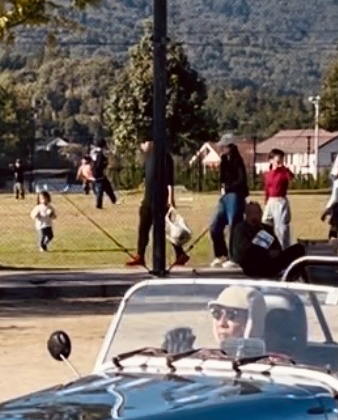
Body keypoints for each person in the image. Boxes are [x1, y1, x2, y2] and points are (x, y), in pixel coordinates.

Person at [129, 136, 189, 268]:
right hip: (148, 198)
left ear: (151, 142)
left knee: (166, 228)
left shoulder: (165, 158)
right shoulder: (148, 158)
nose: (142, 146)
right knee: (143, 227)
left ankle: (180, 253)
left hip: (161, 198)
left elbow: (169, 181)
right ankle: (140, 255)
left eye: (143, 143)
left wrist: (170, 199)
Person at [161, 285, 267, 354]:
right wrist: (178, 358)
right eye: (216, 313)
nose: (222, 323)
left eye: (231, 315)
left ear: (252, 321)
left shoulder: (274, 363)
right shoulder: (207, 357)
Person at [237, 201, 306, 279]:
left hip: (271, 262)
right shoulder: (241, 229)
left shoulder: (267, 228)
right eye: (253, 213)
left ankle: (295, 277)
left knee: (299, 248)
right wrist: (266, 253)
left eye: (258, 213)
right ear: (247, 215)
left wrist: (275, 252)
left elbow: (277, 246)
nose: (256, 216)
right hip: (254, 265)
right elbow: (244, 250)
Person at [209, 142, 249, 268]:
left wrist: (229, 187)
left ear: (230, 147)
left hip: (235, 195)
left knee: (234, 226)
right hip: (225, 196)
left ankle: (234, 257)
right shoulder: (224, 161)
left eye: (225, 147)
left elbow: (242, 180)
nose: (222, 149)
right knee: (215, 225)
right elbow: (222, 178)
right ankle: (221, 254)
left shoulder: (238, 161)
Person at [261, 148, 294, 248]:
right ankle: (266, 247)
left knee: (281, 229)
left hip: (280, 201)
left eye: (281, 160)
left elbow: (291, 177)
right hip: (271, 201)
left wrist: (284, 168)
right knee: (265, 223)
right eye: (277, 160)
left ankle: (283, 249)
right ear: (271, 160)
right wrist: (266, 201)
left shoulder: (283, 173)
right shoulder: (268, 174)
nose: (279, 162)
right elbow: (267, 188)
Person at [90, 138, 118, 208]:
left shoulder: (94, 152)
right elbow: (100, 165)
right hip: (99, 173)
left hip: (95, 172)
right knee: (100, 188)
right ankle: (99, 205)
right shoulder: (100, 154)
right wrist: (104, 166)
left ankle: (114, 200)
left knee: (107, 186)